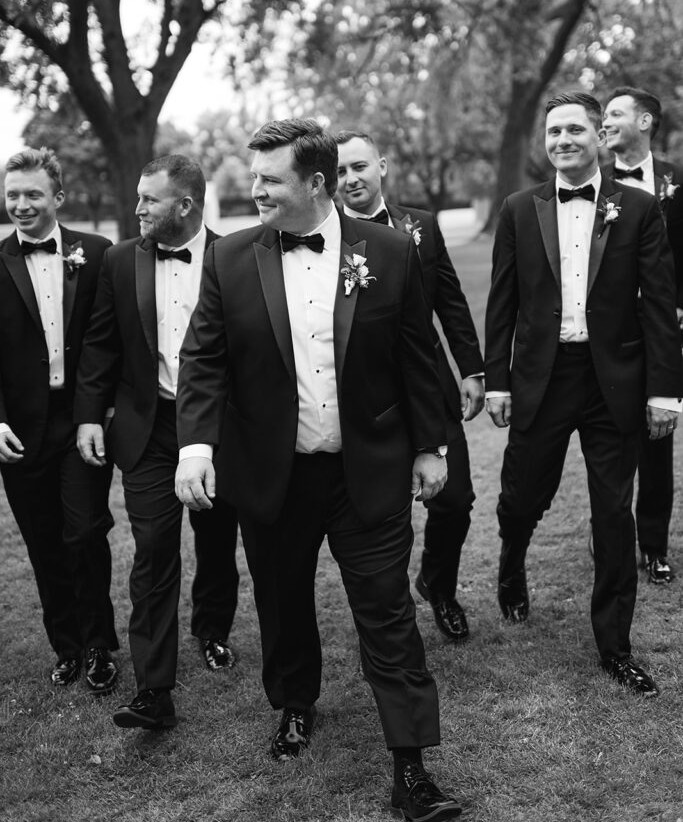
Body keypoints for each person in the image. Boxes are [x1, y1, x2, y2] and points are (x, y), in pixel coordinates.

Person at [175, 120, 463, 822]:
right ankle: (295, 705)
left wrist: (432, 446)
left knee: (386, 612)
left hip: (368, 468)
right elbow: (203, 359)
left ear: (316, 183)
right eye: (255, 175)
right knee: (280, 600)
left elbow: (417, 357)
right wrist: (195, 447)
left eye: (270, 178)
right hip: (273, 476)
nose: (255, 188)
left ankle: (411, 764)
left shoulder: (390, 252)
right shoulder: (232, 258)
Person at [485, 91, 682, 696]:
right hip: (542, 379)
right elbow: (502, 303)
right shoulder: (520, 209)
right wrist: (497, 380)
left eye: (575, 129)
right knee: (522, 497)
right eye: (553, 132)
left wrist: (665, 393)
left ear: (600, 135)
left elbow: (658, 305)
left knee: (612, 515)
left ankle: (614, 645)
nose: (563, 140)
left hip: (611, 381)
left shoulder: (640, 208)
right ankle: (511, 562)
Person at [75, 155, 240, 731]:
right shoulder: (120, 261)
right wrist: (90, 415)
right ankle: (153, 688)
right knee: (152, 552)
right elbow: (99, 345)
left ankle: (213, 630)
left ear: (186, 205)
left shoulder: (235, 257)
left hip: (219, 431)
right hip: (147, 429)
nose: (138, 208)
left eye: (150, 199)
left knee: (218, 540)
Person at [335, 130, 484, 642]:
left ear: (381, 165)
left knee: (456, 499)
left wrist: (471, 368)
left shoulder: (421, 225)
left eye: (358, 166)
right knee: (377, 514)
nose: (350, 179)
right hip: (367, 399)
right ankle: (389, 614)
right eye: (338, 172)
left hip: (430, 386)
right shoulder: (328, 237)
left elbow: (450, 301)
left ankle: (438, 585)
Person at [0, 146, 118, 693]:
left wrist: (100, 410)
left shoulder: (97, 254)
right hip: (19, 432)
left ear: (58, 198)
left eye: (32, 194)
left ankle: (99, 645)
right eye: (13, 195)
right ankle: (66, 646)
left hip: (81, 422)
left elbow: (112, 342)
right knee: (44, 541)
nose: (21, 205)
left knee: (85, 532)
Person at [602, 86, 683, 584]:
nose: (604, 123)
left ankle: (653, 544)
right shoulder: (591, 180)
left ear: (646, 121)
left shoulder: (678, 179)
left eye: (614, 114)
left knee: (658, 435)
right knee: (607, 439)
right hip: (606, 333)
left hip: (665, 332)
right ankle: (607, 533)